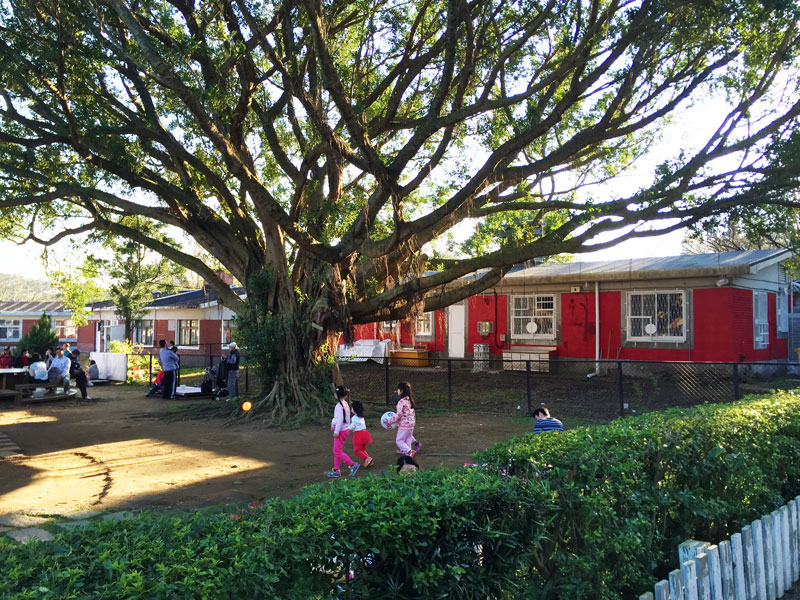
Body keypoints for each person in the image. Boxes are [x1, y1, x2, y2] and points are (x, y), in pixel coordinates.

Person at [327, 385, 359, 478]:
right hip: (345, 430)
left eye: (335, 393)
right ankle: (336, 469)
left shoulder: (338, 406)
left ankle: (352, 465)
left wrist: (336, 431)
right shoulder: (346, 404)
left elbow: (340, 419)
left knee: (337, 451)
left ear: (337, 395)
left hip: (340, 431)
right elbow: (347, 419)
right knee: (337, 450)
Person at [385, 381, 421, 457]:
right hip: (411, 424)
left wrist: (389, 421)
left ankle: (409, 451)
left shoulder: (401, 402)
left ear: (401, 391)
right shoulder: (409, 400)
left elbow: (398, 415)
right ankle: (409, 455)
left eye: (398, 389)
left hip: (404, 425)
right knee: (408, 440)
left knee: (399, 441)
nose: (396, 391)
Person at [348, 400, 374, 469]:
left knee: (356, 451)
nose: (351, 409)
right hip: (365, 434)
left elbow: (352, 426)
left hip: (358, 435)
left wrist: (346, 428)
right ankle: (369, 461)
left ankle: (367, 459)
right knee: (362, 449)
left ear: (355, 409)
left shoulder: (354, 418)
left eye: (352, 408)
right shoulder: (361, 417)